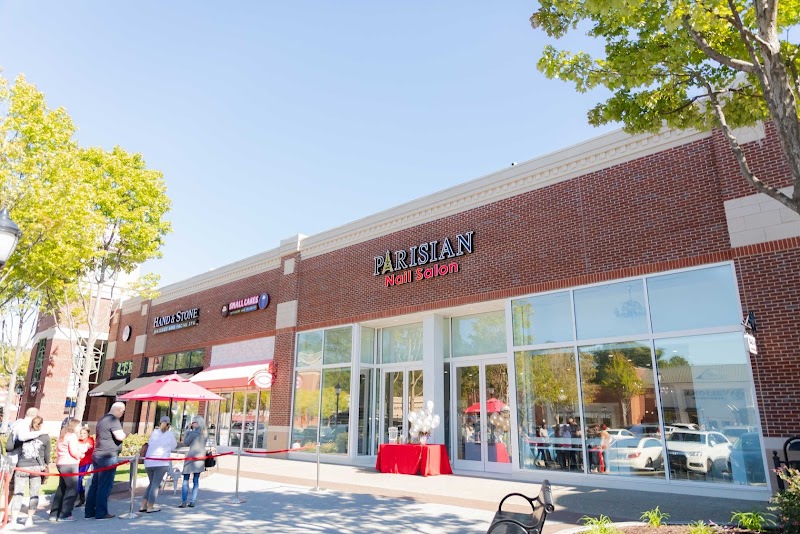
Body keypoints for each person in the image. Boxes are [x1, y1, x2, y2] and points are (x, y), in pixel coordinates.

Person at [85, 402, 126, 520]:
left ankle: (89, 511)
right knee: (105, 485)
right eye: (122, 412)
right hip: (108, 455)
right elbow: (120, 436)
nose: (122, 414)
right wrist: (124, 434)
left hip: (98, 454)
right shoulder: (113, 420)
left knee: (95, 484)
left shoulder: (102, 419)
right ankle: (101, 512)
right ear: (119, 410)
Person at [10, 416, 50, 528]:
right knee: (34, 493)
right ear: (41, 425)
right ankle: (29, 518)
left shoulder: (24, 435)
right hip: (36, 468)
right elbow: (47, 455)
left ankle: (14, 520)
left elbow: (12, 447)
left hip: (22, 466)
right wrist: (46, 464)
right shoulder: (45, 437)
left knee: (18, 493)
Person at [49, 418, 84, 522]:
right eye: (79, 425)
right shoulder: (72, 436)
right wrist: (81, 454)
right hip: (70, 464)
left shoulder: (63, 436)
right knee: (72, 489)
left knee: (62, 488)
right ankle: (65, 514)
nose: (80, 427)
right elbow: (73, 451)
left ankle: (54, 513)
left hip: (61, 463)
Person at [141, 416, 177, 513]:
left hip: (149, 461)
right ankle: (150, 506)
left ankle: (143, 505)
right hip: (161, 462)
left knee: (152, 483)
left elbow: (150, 443)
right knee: (156, 484)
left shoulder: (154, 433)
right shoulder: (170, 434)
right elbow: (174, 446)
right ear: (169, 425)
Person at [179, 416, 207, 508]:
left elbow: (186, 442)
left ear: (198, 423)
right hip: (200, 459)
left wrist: (187, 432)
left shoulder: (193, 433)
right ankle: (193, 500)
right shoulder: (205, 434)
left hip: (191, 458)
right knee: (196, 480)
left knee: (186, 480)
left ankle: (184, 501)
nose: (192, 424)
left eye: (193, 422)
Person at [76, 426, 95, 507]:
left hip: (86, 462)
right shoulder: (78, 441)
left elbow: (89, 450)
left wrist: (81, 449)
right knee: (76, 479)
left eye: (84, 433)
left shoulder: (90, 440)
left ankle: (81, 498)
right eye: (81, 433)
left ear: (88, 434)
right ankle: (79, 496)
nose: (82, 435)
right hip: (78, 462)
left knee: (79, 479)